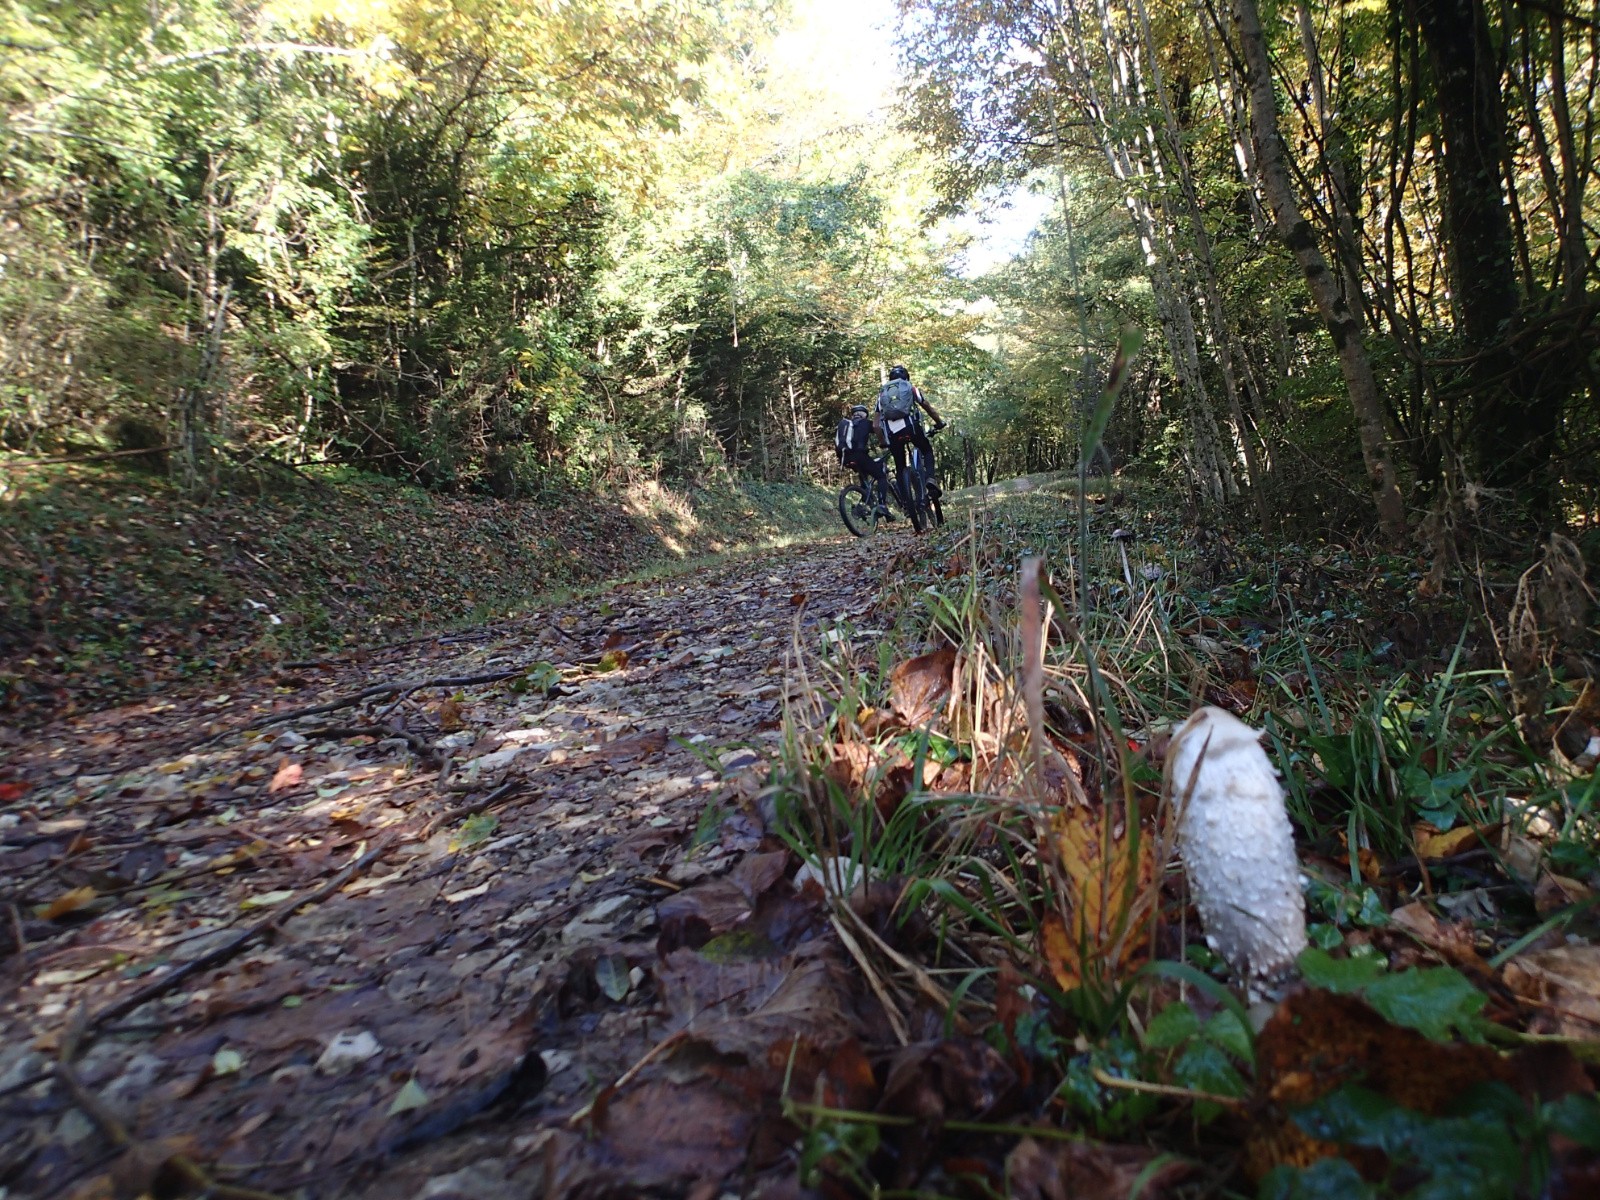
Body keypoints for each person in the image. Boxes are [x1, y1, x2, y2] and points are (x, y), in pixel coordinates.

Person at [874, 364, 945, 501]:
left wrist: (882, 441)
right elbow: (927, 407)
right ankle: (930, 478)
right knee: (927, 450)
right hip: (911, 428)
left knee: (900, 467)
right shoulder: (910, 387)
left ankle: (907, 503)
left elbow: (876, 425)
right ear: (906, 377)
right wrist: (939, 422)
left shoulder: (882, 394)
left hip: (892, 434)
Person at [835, 403, 892, 515]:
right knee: (880, 476)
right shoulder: (866, 423)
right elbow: (879, 429)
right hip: (860, 456)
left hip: (845, 458)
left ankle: (864, 504)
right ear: (864, 414)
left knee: (864, 478)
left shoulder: (846, 425)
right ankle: (882, 505)